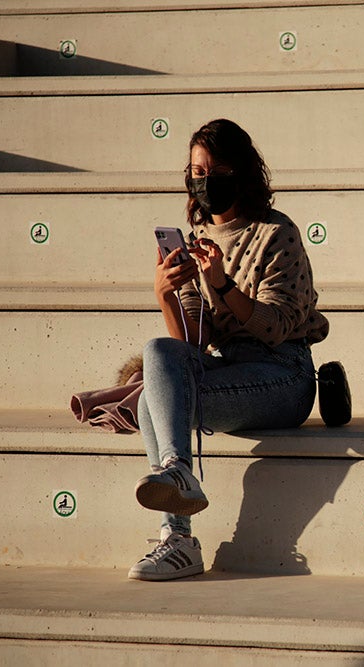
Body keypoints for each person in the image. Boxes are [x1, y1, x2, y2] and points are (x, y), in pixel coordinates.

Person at [128, 118, 329, 581]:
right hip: (229, 372)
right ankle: (178, 523)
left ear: (241, 173)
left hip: (284, 375)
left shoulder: (276, 234)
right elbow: (189, 348)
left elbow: (276, 326)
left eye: (216, 171)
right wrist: (164, 294)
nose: (204, 181)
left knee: (153, 405)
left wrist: (222, 283)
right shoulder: (200, 244)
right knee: (156, 366)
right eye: (197, 171)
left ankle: (177, 530)